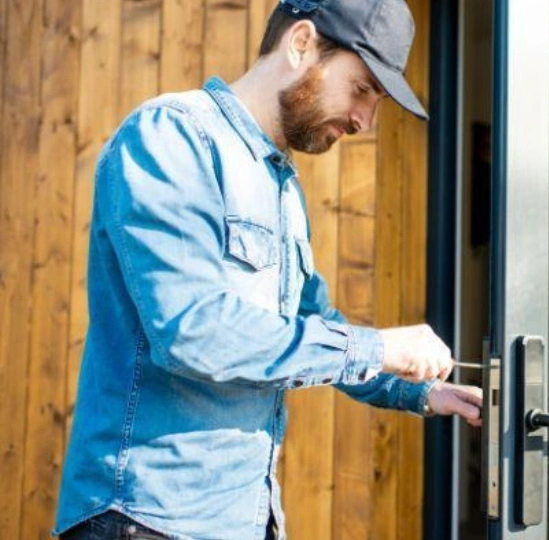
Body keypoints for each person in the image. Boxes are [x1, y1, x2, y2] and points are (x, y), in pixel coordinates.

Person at [52, 0, 483, 538]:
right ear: (301, 43)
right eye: (363, 89)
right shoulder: (171, 137)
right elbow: (194, 331)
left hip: (247, 520)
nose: (366, 120)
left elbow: (314, 326)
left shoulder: (282, 188)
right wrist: (380, 346)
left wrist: (418, 392)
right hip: (145, 520)